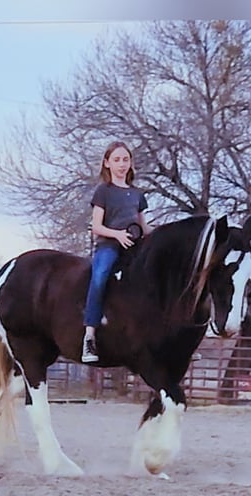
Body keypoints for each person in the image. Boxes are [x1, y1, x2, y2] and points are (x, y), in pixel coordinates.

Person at [82, 141, 152, 363]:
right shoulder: (104, 191)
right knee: (100, 277)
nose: (122, 164)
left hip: (135, 246)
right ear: (107, 163)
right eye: (117, 160)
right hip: (110, 245)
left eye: (125, 159)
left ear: (131, 163)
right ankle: (89, 336)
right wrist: (118, 235)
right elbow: (96, 227)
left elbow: (144, 226)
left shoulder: (137, 194)